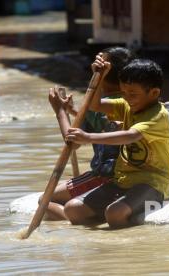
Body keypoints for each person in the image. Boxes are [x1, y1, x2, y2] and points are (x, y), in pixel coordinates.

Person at [63, 58, 169, 229]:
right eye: (124, 93)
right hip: (123, 181)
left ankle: (127, 244)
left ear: (153, 93)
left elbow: (130, 135)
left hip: (153, 182)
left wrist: (88, 137)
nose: (127, 98)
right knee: (73, 210)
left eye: (133, 94)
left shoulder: (158, 116)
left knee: (114, 213)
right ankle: (105, 241)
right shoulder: (126, 105)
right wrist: (99, 77)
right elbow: (95, 105)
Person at [42, 47, 134, 221]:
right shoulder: (132, 102)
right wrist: (76, 112)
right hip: (105, 173)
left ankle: (87, 216)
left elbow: (73, 144)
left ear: (101, 76)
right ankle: (91, 211)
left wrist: (61, 112)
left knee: (45, 201)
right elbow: (100, 122)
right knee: (49, 199)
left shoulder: (100, 107)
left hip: (105, 176)